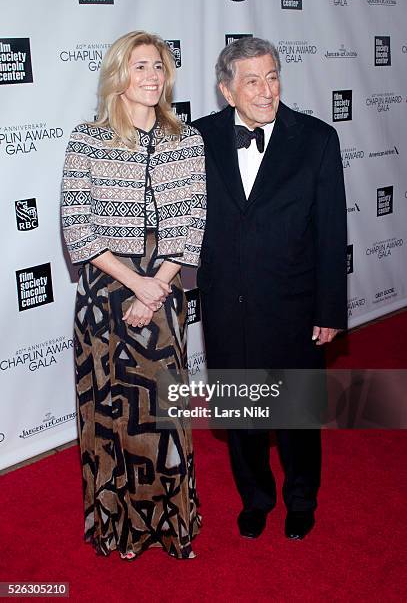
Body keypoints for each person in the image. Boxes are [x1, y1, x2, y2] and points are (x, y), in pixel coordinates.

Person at [193, 37, 347, 540]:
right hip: (227, 304)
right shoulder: (197, 139)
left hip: (294, 305)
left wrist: (329, 308)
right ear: (227, 91)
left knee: (297, 415)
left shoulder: (318, 140)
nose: (266, 91)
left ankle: (302, 499)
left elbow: (330, 232)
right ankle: (256, 498)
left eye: (273, 77)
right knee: (243, 419)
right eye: (252, 81)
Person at [61, 31, 206, 560]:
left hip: (163, 291)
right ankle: (118, 525)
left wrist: (156, 286)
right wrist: (135, 283)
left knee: (163, 409)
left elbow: (192, 222)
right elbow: (78, 227)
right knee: (110, 409)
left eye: (159, 67)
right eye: (140, 66)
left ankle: (170, 524)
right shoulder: (88, 139)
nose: (151, 76)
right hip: (107, 292)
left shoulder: (186, 140)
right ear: (118, 76)